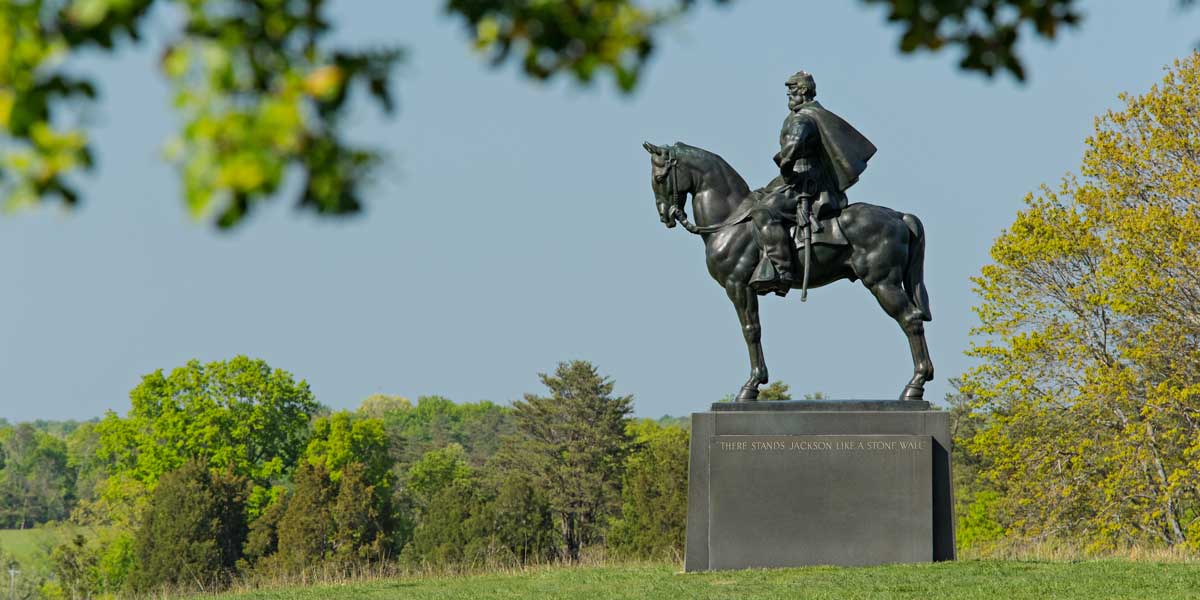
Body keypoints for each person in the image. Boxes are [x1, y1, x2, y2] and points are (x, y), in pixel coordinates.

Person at [749, 71, 877, 296]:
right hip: (797, 177)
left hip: (806, 181)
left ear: (804, 91)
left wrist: (785, 161)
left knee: (762, 211)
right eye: (788, 90)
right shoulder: (808, 115)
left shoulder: (803, 119)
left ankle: (781, 270)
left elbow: (793, 146)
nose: (789, 94)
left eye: (793, 89)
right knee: (757, 197)